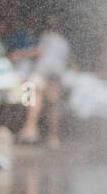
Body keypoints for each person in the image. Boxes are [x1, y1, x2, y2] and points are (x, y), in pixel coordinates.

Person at [17, 16, 70, 147]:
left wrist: (20, 54)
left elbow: (38, 51)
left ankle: (30, 129)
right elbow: (67, 61)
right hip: (56, 76)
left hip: (42, 72)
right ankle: (53, 137)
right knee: (53, 105)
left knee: (32, 94)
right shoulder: (64, 42)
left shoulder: (45, 37)